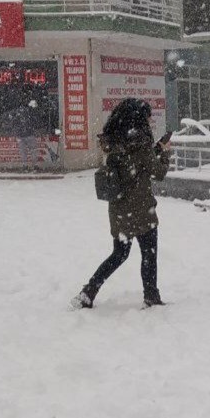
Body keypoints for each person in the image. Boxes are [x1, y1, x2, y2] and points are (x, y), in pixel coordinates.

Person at [72, 99, 172, 309]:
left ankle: (88, 292)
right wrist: (164, 152)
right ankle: (151, 295)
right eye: (147, 117)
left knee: (119, 254)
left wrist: (153, 150)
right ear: (139, 119)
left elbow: (131, 165)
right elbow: (158, 173)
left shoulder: (114, 142)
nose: (149, 121)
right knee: (149, 253)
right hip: (142, 207)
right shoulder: (141, 145)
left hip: (119, 209)